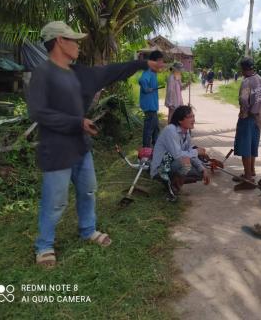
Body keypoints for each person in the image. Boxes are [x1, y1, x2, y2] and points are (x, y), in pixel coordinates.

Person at [27, 21, 164, 267]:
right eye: (74, 40)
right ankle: (44, 245)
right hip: (56, 149)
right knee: (56, 199)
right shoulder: (43, 74)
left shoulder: (80, 73)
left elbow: (112, 71)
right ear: (60, 41)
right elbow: (38, 112)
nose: (78, 46)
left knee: (88, 189)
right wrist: (77, 122)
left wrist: (144, 63)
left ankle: (87, 229)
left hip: (80, 146)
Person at [150, 105, 210, 199]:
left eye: (193, 116)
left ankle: (173, 184)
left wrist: (203, 169)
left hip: (172, 164)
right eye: (189, 117)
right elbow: (178, 155)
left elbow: (189, 152)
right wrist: (196, 151)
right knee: (185, 162)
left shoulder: (186, 133)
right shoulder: (171, 130)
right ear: (180, 120)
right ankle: (172, 188)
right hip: (160, 169)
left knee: (200, 171)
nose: (193, 120)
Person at [233, 57, 261, 191]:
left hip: (248, 118)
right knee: (253, 146)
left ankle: (247, 177)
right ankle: (251, 171)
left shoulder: (247, 82)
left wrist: (245, 112)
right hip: (259, 119)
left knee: (245, 147)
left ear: (243, 69)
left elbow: (243, 99)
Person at [139, 50, 164, 148]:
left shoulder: (153, 73)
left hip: (152, 106)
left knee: (156, 127)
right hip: (149, 106)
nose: (162, 64)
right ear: (154, 62)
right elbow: (142, 80)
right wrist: (146, 89)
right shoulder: (149, 71)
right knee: (149, 128)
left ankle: (156, 145)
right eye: (160, 61)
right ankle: (146, 148)